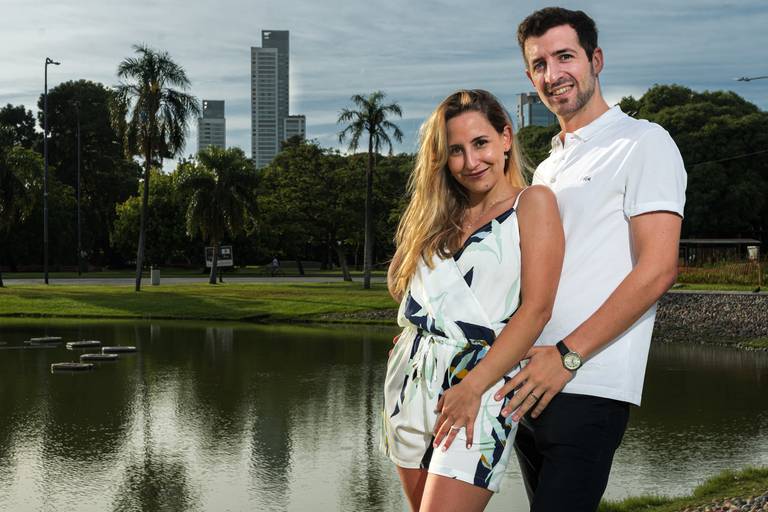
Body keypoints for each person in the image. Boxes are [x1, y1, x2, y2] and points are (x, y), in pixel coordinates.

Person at [490, 8, 687, 512]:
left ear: (595, 59)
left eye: (564, 57)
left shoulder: (644, 142)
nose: (552, 75)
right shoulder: (550, 165)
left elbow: (659, 267)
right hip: (528, 382)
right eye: (538, 64)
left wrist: (568, 356)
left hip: (586, 381)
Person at [381, 89, 564, 512]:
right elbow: (415, 295)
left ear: (505, 138)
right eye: (456, 151)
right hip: (410, 382)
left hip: (480, 384)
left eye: (480, 143)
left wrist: (473, 387)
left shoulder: (532, 203)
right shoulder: (437, 216)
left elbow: (537, 309)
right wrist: (414, 338)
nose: (470, 161)